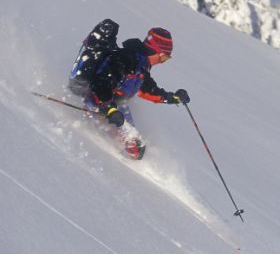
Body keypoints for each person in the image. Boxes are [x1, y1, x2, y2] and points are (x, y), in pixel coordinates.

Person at [69, 20, 190, 158]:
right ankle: (111, 163)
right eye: (164, 58)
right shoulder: (126, 59)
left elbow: (148, 91)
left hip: (116, 106)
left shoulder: (142, 67)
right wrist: (109, 109)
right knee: (133, 146)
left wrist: (173, 98)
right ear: (157, 51)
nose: (162, 62)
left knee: (136, 147)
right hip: (99, 102)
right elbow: (101, 82)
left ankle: (128, 165)